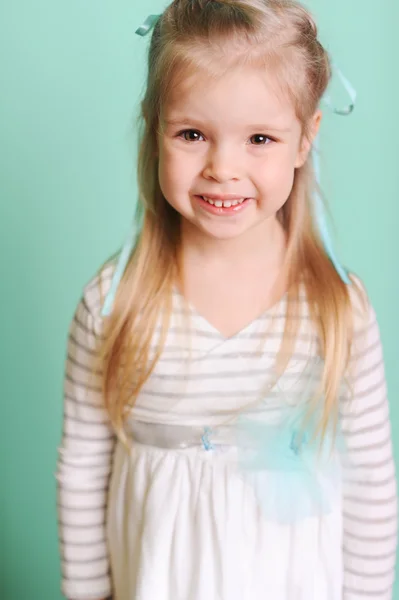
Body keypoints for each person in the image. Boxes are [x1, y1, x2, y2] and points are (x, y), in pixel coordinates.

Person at [56, 1, 397, 599]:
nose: (222, 168)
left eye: (259, 138)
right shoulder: (114, 303)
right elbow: (84, 471)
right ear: (153, 125)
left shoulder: (336, 308)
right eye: (192, 134)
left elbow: (370, 480)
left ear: (305, 138)